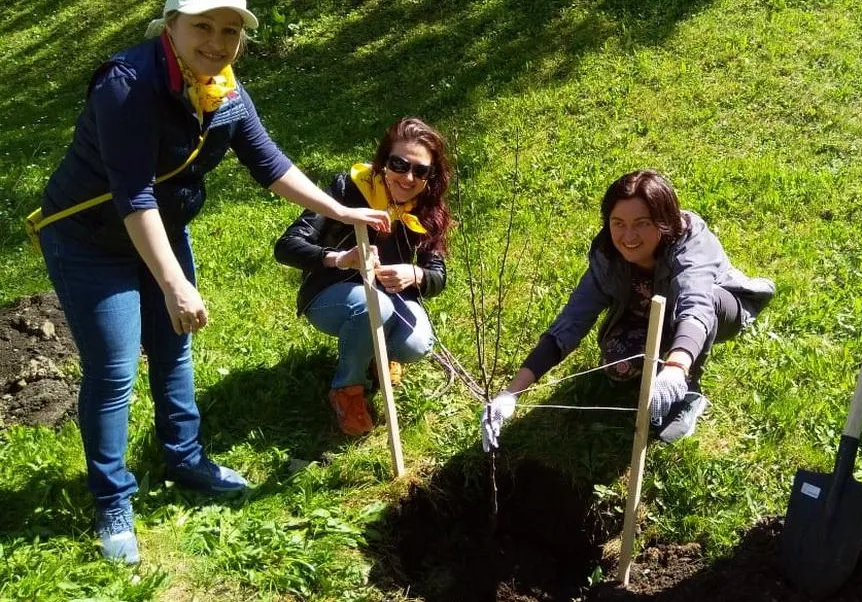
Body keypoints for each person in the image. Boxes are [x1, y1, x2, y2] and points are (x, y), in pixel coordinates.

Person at [34, 0, 391, 564]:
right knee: (115, 370)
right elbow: (134, 196)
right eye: (202, 26)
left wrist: (343, 212)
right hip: (91, 241)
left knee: (174, 351)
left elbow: (270, 164)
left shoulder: (224, 91)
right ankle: (112, 500)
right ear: (169, 25)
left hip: (162, 227)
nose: (217, 41)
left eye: (230, 31)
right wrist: (176, 285)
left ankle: (185, 458)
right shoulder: (125, 85)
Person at [481, 170, 774, 450]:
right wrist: (511, 394)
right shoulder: (608, 256)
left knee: (704, 303)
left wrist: (676, 368)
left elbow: (694, 306)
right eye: (618, 223)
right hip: (650, 318)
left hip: (718, 311)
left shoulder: (690, 241)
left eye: (642, 223)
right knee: (618, 365)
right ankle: (665, 363)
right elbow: (571, 321)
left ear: (662, 221)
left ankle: (690, 392)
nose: (628, 236)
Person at [274, 118, 450, 437]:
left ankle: (372, 356)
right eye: (399, 164)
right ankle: (347, 390)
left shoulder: (426, 208)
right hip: (332, 292)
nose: (409, 177)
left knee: (417, 343)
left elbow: (437, 276)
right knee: (374, 307)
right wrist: (340, 259)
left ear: (430, 176)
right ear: (384, 162)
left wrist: (416, 273)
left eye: (420, 170)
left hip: (389, 298)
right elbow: (286, 247)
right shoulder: (348, 189)